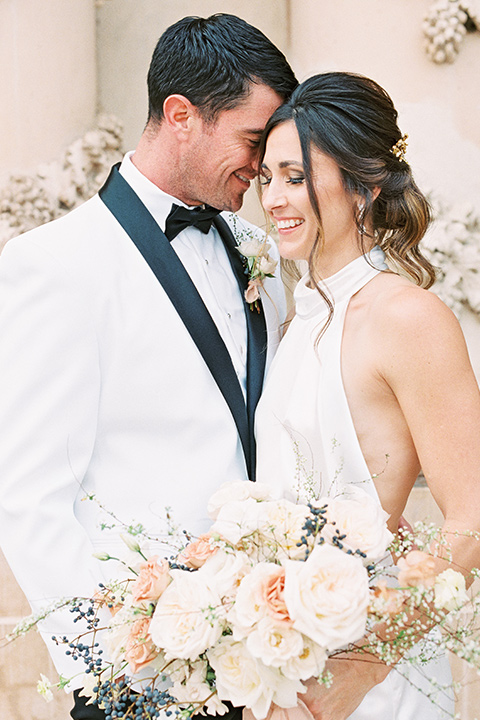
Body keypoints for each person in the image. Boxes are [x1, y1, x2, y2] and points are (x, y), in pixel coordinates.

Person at [0, 14, 297, 720]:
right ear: (181, 116)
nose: (262, 167)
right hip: (144, 679)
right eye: (254, 140)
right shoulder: (55, 265)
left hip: (266, 666)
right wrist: (115, 677)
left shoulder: (263, 250)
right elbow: (31, 498)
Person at [255, 71, 480, 719]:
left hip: (373, 683)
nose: (273, 197)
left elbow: (472, 514)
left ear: (363, 187)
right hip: (280, 665)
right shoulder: (294, 318)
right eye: (267, 177)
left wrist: (363, 668)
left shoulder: (406, 317)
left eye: (296, 177)